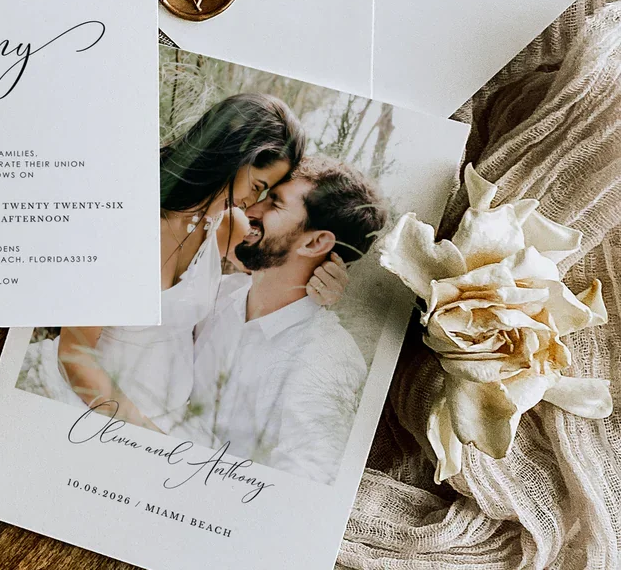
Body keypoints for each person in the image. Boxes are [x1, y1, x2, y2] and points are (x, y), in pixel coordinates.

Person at [27, 94, 347, 430]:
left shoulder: (227, 225)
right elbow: (74, 352)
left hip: (172, 417)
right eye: (256, 186)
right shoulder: (124, 223)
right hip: (92, 405)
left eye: (265, 195)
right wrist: (142, 432)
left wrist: (324, 287)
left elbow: (280, 276)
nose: (252, 203)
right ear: (227, 156)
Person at [185, 155, 387, 483]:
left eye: (275, 204)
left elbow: (304, 483)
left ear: (315, 242)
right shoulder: (218, 295)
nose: (251, 210)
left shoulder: (327, 357)